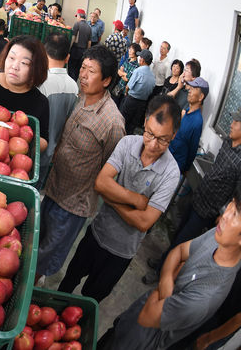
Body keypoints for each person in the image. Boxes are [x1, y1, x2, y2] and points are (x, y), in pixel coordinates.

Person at [58, 96, 181, 303]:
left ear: (174, 136)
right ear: (145, 121)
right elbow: (100, 183)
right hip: (97, 234)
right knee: (67, 284)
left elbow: (144, 222)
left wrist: (111, 199)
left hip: (122, 253)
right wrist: (136, 200)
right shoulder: (127, 143)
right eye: (150, 134)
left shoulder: (171, 173)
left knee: (91, 300)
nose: (152, 144)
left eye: (162, 139)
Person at [100, 188, 241, 350]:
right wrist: (167, 285)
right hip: (129, 321)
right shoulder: (218, 237)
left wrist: (171, 273)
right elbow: (178, 251)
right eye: (231, 204)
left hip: (139, 343)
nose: (224, 216)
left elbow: (148, 316)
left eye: (236, 214)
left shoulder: (206, 296)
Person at [37, 45, 125, 281]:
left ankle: (33, 290)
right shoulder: (80, 96)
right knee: (37, 242)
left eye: (91, 71)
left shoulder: (112, 122)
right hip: (54, 188)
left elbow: (109, 170)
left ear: (106, 80)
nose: (83, 75)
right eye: (83, 68)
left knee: (46, 256)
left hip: (73, 204)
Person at [143, 108, 241, 285]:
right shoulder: (227, 142)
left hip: (209, 210)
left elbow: (237, 195)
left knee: (183, 242)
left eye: (236, 122)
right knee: (178, 233)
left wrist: (222, 214)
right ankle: (163, 261)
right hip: (198, 196)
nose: (232, 124)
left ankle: (161, 273)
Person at [37, 33, 79, 183]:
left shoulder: (40, 82)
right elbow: (69, 123)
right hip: (50, 153)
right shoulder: (74, 87)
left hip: (29, 152)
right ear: (67, 58)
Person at [168, 77, 207, 175]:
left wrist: (185, 169)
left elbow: (192, 150)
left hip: (174, 165)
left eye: (194, 89)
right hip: (167, 155)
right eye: (191, 87)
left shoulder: (197, 121)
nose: (189, 90)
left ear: (201, 97)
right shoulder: (186, 111)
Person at [121, 49, 156, 134]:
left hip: (131, 100)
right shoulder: (153, 76)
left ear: (142, 60)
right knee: (132, 125)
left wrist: (126, 93)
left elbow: (128, 86)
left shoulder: (138, 71)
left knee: (123, 121)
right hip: (142, 104)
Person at [68, 9, 92, 81]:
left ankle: (70, 85)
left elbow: (73, 38)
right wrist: (87, 53)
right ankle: (74, 84)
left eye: (77, 16)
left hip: (75, 50)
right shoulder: (89, 27)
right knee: (77, 69)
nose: (77, 18)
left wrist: (69, 49)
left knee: (71, 68)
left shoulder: (77, 24)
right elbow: (89, 43)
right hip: (83, 51)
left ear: (79, 16)